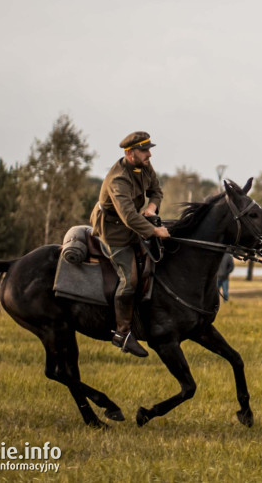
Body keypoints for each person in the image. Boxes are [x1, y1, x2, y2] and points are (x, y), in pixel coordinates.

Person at [90, 131, 170, 357]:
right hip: (114, 230)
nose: (149, 154)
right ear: (130, 152)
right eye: (144, 150)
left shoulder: (143, 166)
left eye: (149, 149)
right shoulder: (118, 179)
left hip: (135, 222)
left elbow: (156, 191)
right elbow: (127, 216)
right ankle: (122, 333)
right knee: (130, 279)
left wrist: (152, 208)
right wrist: (154, 230)